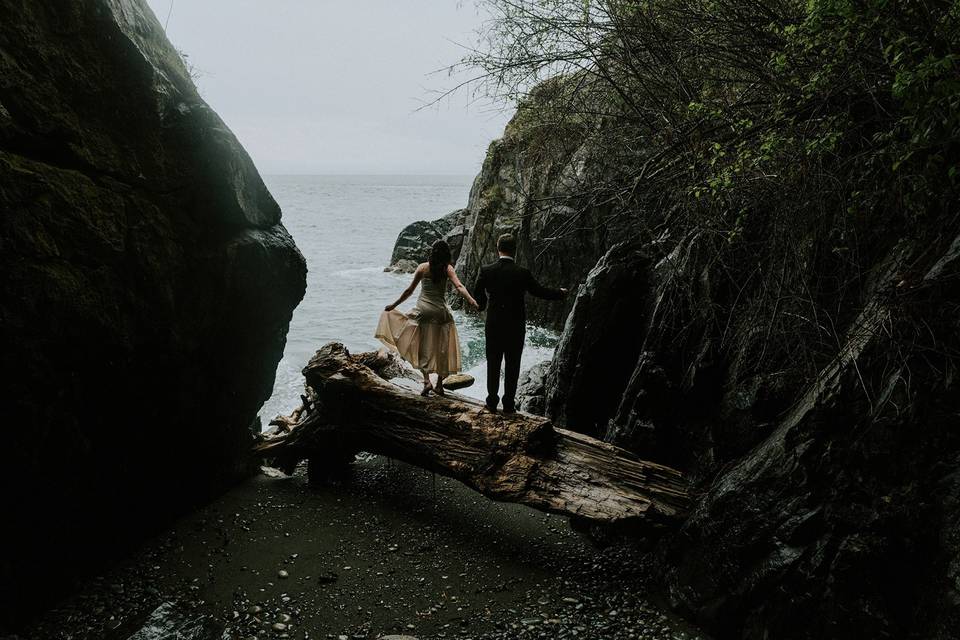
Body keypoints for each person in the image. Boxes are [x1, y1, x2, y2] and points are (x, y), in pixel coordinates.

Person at [472, 233, 567, 413]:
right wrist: (560, 293)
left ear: (498, 248)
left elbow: (477, 292)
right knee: (512, 364)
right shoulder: (522, 273)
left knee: (493, 362)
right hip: (515, 326)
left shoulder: (487, 270)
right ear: (514, 251)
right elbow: (539, 291)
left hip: (493, 324)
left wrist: (482, 305)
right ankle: (508, 403)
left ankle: (492, 401)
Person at [376, 240, 479, 396]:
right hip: (441, 313)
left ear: (432, 253)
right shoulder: (447, 269)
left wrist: (393, 305)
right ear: (446, 255)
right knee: (442, 349)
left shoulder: (423, 268)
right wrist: (471, 300)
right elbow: (459, 286)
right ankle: (439, 385)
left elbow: (409, 291)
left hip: (423, 312)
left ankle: (426, 381)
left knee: (422, 347)